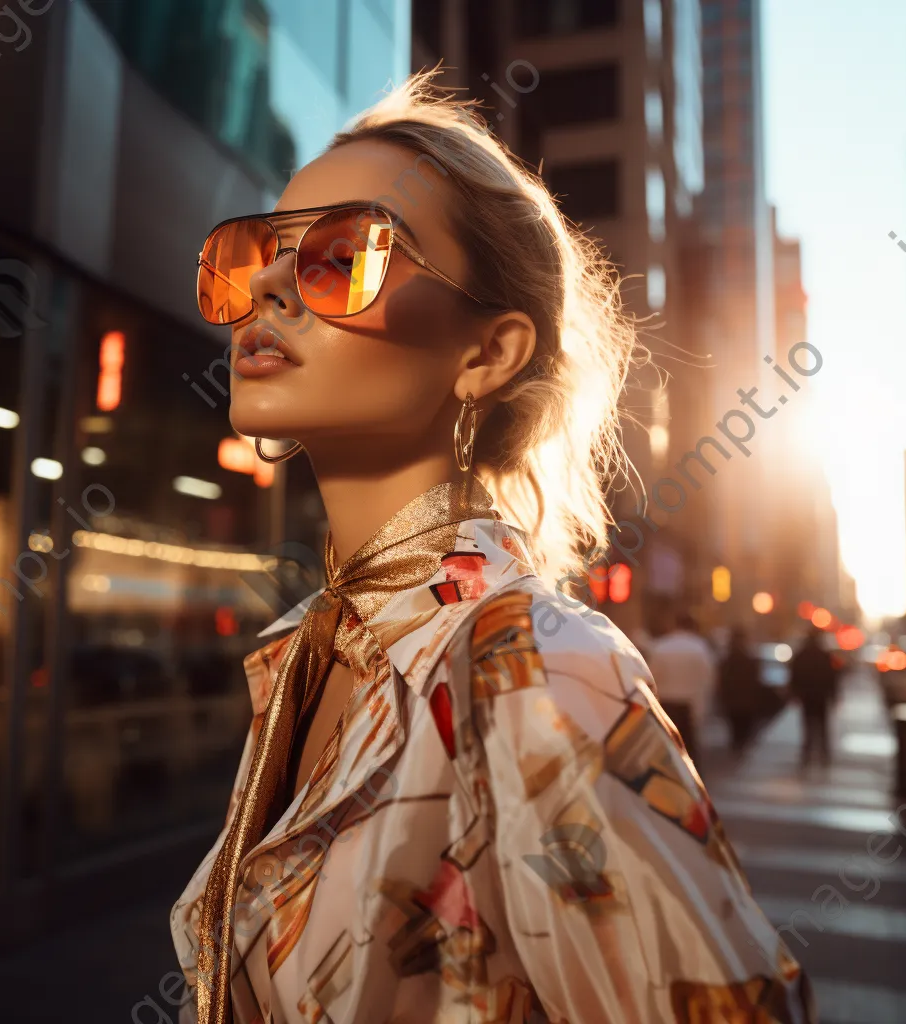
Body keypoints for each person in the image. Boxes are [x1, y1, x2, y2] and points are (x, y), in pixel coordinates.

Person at [171, 72, 815, 1024]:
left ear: (486, 354)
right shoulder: (299, 654)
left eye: (343, 254)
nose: (267, 282)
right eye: (256, 251)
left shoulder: (534, 665)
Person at [644, 612, 717, 771]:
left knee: (667, 748)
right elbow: (708, 678)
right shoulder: (700, 647)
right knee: (688, 749)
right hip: (689, 704)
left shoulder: (661, 647)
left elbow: (651, 677)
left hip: (665, 703)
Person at [789, 625, 839, 767]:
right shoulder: (824, 655)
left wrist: (795, 692)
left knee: (808, 727)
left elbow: (794, 675)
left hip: (807, 696)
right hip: (820, 696)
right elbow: (832, 678)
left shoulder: (802, 654)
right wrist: (833, 695)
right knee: (822, 727)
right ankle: (823, 756)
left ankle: (808, 755)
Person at [718, 625, 763, 754]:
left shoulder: (727, 659)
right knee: (744, 726)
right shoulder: (750, 658)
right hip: (746, 699)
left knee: (736, 726)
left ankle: (737, 746)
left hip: (733, 699)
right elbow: (756, 680)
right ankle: (741, 746)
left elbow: (722, 680)